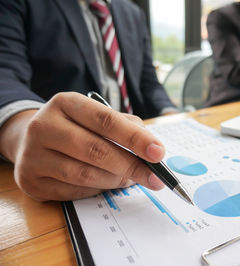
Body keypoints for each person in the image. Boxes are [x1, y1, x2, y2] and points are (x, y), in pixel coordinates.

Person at [0, 0, 177, 201]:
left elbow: (148, 83)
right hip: (68, 160)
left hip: (137, 145)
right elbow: (4, 74)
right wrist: (21, 128)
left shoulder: (133, 12)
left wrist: (171, 113)